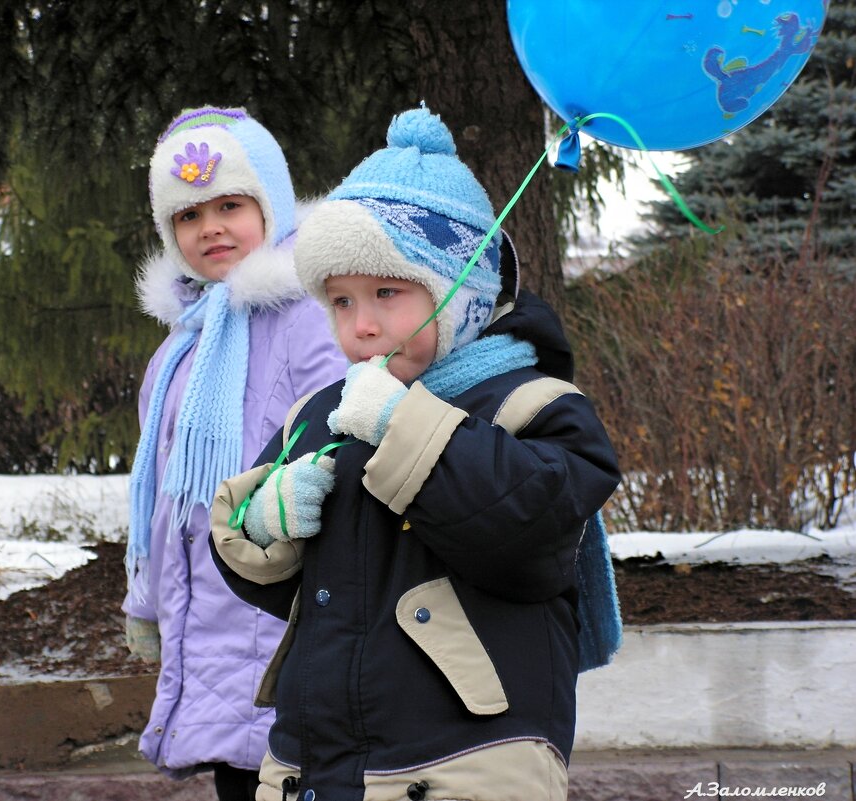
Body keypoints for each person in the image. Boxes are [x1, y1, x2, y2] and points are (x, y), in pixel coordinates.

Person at [209, 106, 621, 801]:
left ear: (460, 296)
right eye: (339, 301)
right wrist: (263, 524)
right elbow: (288, 584)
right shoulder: (324, 413)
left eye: (388, 293)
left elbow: (530, 534)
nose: (361, 325)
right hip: (314, 766)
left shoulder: (535, 406)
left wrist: (403, 424)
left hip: (464, 763)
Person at [122, 106, 348, 800]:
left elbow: (341, 443)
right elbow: (161, 497)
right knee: (238, 776)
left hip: (288, 617)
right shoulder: (179, 350)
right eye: (189, 215)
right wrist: (146, 601)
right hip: (213, 627)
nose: (210, 226)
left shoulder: (311, 317)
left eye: (230, 204)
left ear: (271, 205)